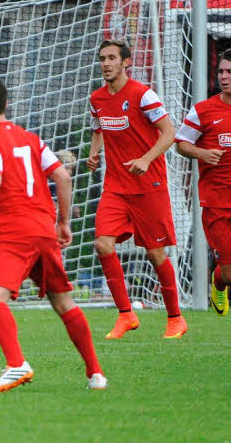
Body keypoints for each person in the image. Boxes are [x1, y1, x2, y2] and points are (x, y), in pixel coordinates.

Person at [0, 77, 106, 393]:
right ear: (7, 104)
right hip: (44, 229)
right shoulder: (30, 138)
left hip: (14, 231)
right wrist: (63, 223)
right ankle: (96, 374)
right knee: (63, 302)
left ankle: (17, 364)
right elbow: (63, 177)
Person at [87, 40, 185, 339]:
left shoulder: (143, 95)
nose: (106, 63)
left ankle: (176, 318)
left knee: (155, 253)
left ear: (126, 62)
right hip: (116, 187)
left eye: (112, 58)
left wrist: (145, 158)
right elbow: (98, 127)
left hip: (149, 186)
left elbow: (170, 133)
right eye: (102, 58)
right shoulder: (97, 98)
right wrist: (94, 152)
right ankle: (126, 314)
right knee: (103, 244)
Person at [174, 47, 231, 315]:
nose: (224, 76)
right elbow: (181, 143)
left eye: (229, 72)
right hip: (217, 201)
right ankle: (219, 283)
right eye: (221, 71)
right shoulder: (204, 111)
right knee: (230, 272)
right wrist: (202, 153)